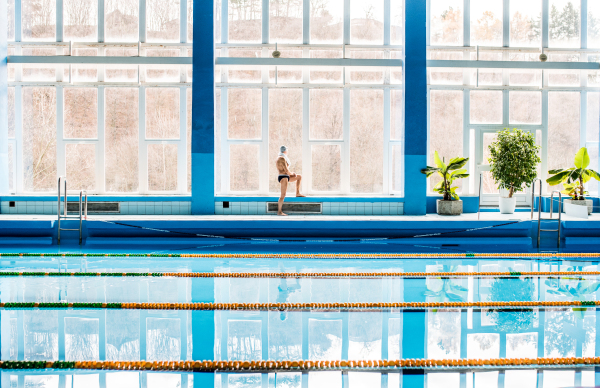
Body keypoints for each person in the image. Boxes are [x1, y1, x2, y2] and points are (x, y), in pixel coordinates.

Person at [276, 145, 304, 216]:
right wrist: (292, 173)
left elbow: (286, 171)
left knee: (299, 177)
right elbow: (286, 170)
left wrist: (291, 174)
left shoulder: (282, 158)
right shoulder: (281, 158)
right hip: (283, 177)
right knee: (283, 195)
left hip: (286, 176)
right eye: (287, 151)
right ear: (285, 151)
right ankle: (279, 212)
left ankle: (297, 193)